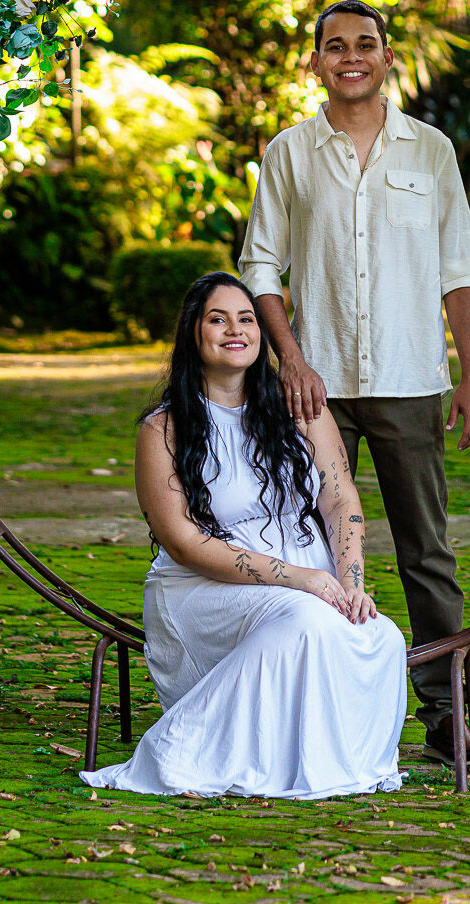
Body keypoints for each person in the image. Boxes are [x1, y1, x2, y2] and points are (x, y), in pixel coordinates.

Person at [239, 0, 470, 770]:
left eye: (366, 44)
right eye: (334, 45)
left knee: (426, 553)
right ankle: (314, 708)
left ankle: (446, 716)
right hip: (313, 388)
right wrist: (291, 359)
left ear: (387, 58)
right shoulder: (289, 153)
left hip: (412, 378)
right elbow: (260, 264)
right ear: (315, 61)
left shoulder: (431, 151)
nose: (351, 55)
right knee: (305, 544)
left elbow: (457, 269)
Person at [79, 272, 407, 800]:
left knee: (381, 638)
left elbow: (340, 497)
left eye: (247, 319)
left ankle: (320, 765)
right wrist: (301, 579)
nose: (235, 330)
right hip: (203, 590)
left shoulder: (300, 406)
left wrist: (350, 584)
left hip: (313, 586)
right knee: (304, 622)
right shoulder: (162, 430)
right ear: (193, 334)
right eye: (218, 319)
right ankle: (189, 754)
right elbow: (183, 543)